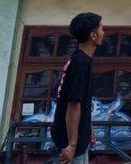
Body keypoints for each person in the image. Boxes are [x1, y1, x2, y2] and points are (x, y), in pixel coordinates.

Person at [51, 13, 105, 164]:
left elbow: (81, 102)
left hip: (74, 141)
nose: (104, 32)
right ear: (93, 35)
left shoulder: (80, 59)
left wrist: (88, 128)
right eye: (101, 28)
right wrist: (72, 144)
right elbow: (73, 104)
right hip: (72, 148)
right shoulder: (81, 63)